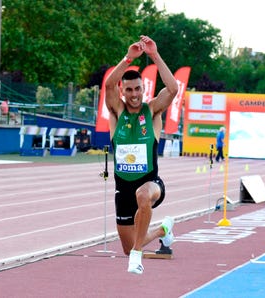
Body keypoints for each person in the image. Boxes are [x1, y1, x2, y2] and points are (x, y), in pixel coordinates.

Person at [105, 35, 178, 274]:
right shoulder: (117, 113)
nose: (134, 94)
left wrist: (154, 56)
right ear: (122, 92)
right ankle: (163, 230)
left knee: (143, 195)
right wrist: (128, 58)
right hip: (122, 189)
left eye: (138, 88)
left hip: (151, 182)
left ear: (142, 88)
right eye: (129, 90)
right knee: (126, 246)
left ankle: (137, 256)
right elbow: (108, 85)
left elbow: (173, 89)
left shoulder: (153, 110)